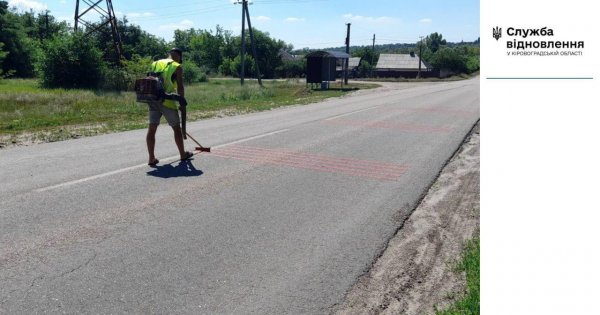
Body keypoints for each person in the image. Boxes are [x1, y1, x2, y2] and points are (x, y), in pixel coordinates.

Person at [146, 48, 193, 166]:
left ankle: (151, 158)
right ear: (179, 56)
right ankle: (183, 154)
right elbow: (180, 87)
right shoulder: (177, 66)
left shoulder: (155, 63)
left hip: (153, 100)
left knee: (152, 129)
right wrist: (182, 103)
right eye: (181, 59)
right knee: (176, 128)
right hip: (167, 101)